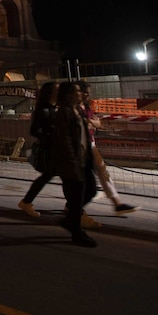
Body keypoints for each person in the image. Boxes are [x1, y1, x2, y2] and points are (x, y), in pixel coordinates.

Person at [77, 80, 139, 215]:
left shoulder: (86, 107)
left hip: (90, 142)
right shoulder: (74, 108)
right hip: (78, 145)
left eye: (88, 93)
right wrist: (90, 123)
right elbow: (87, 124)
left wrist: (90, 122)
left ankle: (117, 203)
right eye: (85, 93)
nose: (87, 95)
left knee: (103, 172)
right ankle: (74, 207)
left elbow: (97, 123)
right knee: (82, 178)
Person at [52, 81, 98, 247]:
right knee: (78, 198)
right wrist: (72, 161)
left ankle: (70, 220)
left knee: (90, 191)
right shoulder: (64, 113)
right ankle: (77, 234)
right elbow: (64, 140)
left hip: (84, 159)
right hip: (73, 162)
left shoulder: (78, 110)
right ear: (68, 94)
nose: (80, 93)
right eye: (77, 91)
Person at [18, 82, 58, 218]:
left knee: (52, 175)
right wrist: (50, 134)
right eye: (56, 90)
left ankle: (27, 201)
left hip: (55, 148)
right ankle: (26, 201)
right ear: (50, 93)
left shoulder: (53, 108)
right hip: (49, 149)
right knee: (48, 175)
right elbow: (34, 130)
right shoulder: (43, 110)